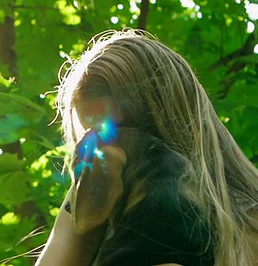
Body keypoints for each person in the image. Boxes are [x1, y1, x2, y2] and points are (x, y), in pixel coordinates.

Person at [35, 30, 258, 266]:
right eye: (89, 134)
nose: (96, 145)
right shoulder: (96, 185)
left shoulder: (250, 225)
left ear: (166, 123)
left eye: (110, 132)